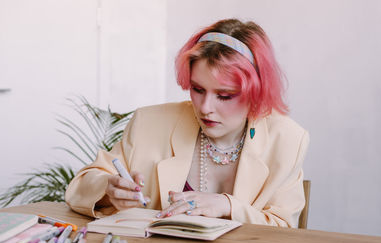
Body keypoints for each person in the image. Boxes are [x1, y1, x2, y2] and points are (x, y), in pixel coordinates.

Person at [65, 18, 309, 227]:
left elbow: (284, 229)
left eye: (224, 96)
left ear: (256, 93)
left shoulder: (287, 140)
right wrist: (108, 190)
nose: (205, 108)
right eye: (197, 89)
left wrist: (228, 206)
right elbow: (79, 187)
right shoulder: (149, 123)